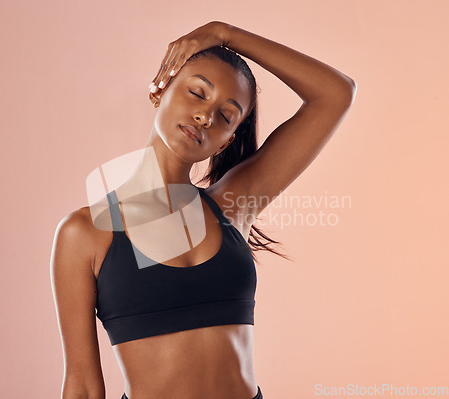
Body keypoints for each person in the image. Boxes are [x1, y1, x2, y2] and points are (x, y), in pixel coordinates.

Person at [50, 21, 356, 399]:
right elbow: (81, 385)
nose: (205, 117)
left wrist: (227, 34)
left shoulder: (233, 205)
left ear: (228, 139)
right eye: (197, 92)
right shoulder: (85, 232)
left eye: (226, 116)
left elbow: (336, 94)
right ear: (161, 87)